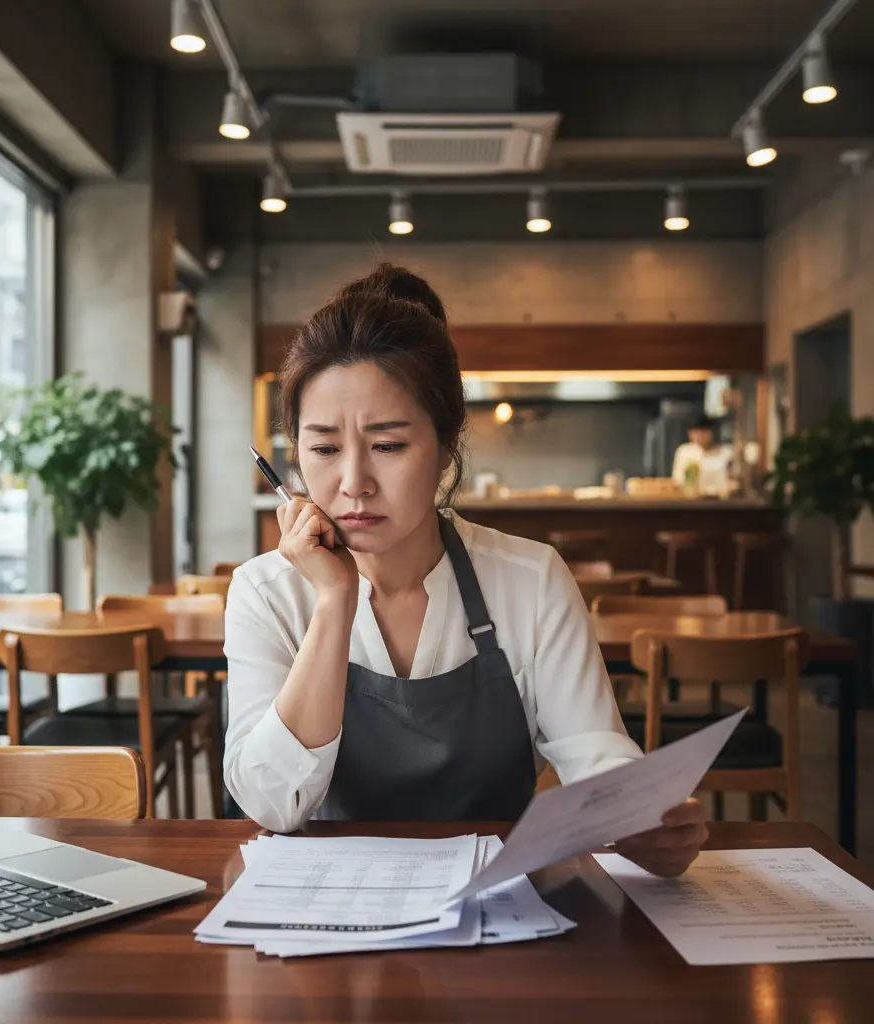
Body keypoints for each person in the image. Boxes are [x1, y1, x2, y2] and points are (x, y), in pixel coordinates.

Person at [224, 263, 707, 877]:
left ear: (447, 444)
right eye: (322, 449)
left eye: (388, 445)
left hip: (502, 912)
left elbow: (595, 754)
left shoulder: (530, 579)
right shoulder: (265, 593)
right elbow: (271, 805)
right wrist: (333, 601)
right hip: (325, 920)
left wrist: (640, 817)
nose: (353, 484)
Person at [672, 416, 730, 494]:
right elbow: (677, 479)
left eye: (702, 432)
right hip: (690, 498)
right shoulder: (684, 452)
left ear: (711, 432)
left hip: (721, 500)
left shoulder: (725, 453)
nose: (699, 436)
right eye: (695, 432)